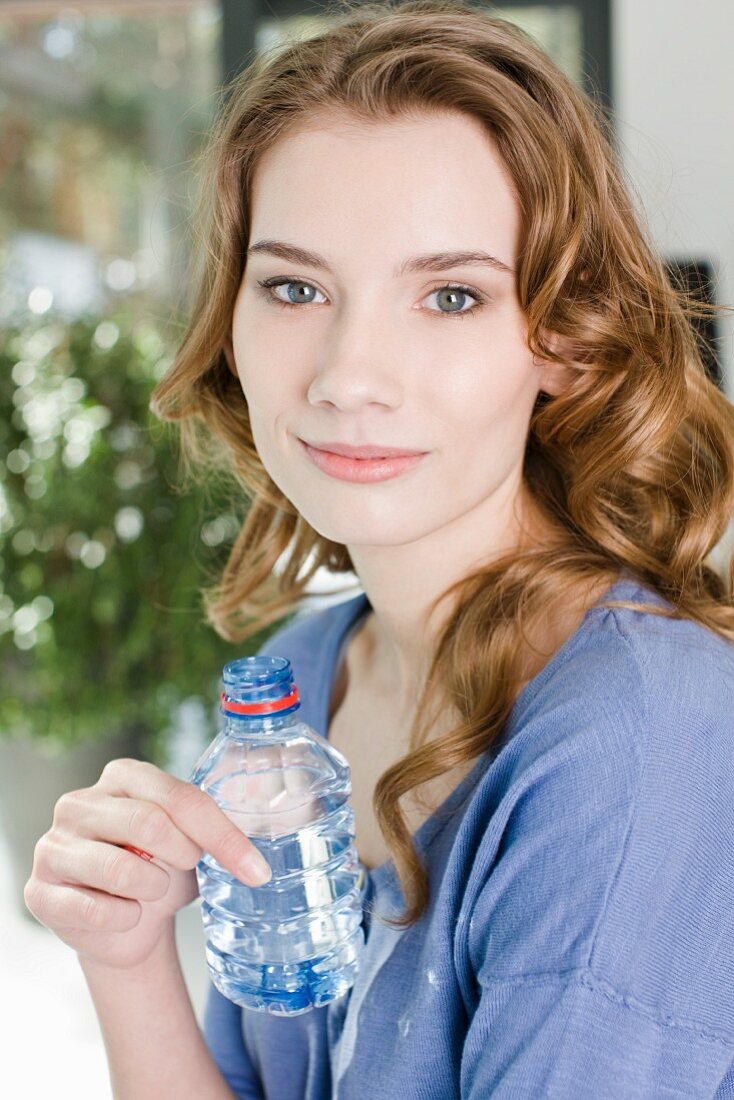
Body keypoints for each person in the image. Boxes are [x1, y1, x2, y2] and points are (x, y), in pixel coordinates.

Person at [23, 0, 734, 1096]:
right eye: (295, 287)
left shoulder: (640, 744)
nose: (348, 373)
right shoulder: (306, 676)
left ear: (564, 342)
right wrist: (125, 961)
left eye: (449, 296)